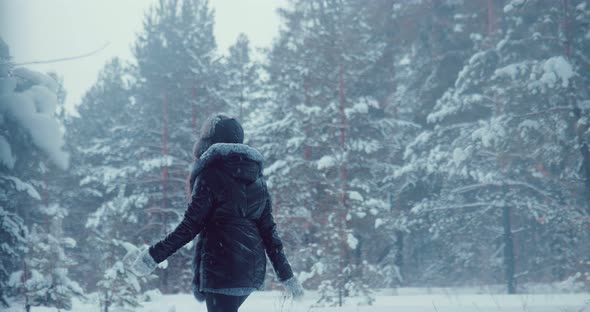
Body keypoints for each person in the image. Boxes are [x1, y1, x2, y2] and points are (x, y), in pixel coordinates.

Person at [129, 114, 304, 311]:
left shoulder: (210, 174)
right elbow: (269, 234)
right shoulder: (258, 181)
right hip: (250, 271)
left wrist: (153, 256)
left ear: (209, 142)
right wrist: (287, 277)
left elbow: (190, 226)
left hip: (221, 268)